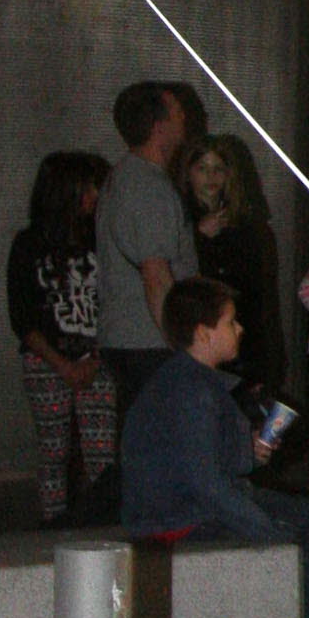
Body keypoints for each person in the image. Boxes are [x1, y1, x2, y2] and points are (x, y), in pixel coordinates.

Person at [119, 277, 309, 618]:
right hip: (176, 518)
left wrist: (248, 450)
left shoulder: (187, 382)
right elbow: (205, 483)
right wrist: (265, 532)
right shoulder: (192, 392)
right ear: (204, 334)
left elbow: (208, 462)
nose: (240, 329)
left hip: (179, 507)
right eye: (231, 322)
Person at [6, 150, 116, 522]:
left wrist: (94, 359)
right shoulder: (29, 243)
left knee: (102, 450)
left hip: (97, 358)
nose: (96, 195)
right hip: (46, 359)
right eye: (89, 187)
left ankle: (99, 522)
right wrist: (62, 364)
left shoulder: (102, 238)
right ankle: (53, 525)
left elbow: (116, 303)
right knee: (53, 450)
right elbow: (22, 316)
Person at [94, 82, 197, 411]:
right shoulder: (148, 187)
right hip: (149, 342)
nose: (185, 119)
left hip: (127, 338)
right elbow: (155, 275)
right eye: (178, 113)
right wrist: (181, 344)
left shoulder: (123, 176)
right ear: (158, 126)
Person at [185, 136, 286, 398]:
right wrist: (197, 237)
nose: (211, 177)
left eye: (218, 169)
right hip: (198, 337)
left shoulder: (246, 224)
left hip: (241, 340)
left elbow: (259, 294)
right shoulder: (180, 217)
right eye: (202, 168)